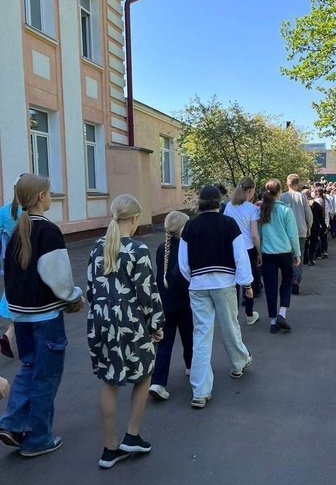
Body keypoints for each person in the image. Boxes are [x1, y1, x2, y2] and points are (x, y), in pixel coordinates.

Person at [0, 174, 84, 457]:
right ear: (40, 197)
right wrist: (74, 297)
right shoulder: (48, 231)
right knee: (45, 378)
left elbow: (10, 277)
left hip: (22, 317)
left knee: (29, 369)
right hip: (45, 319)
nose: (52, 196)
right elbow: (58, 277)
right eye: (49, 193)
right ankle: (38, 439)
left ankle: (12, 422)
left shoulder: (17, 231)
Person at [87, 194, 164, 469]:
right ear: (134, 219)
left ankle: (109, 450)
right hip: (130, 322)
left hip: (101, 322)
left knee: (109, 382)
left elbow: (90, 290)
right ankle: (132, 435)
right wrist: (156, 325)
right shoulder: (138, 250)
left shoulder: (97, 247)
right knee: (144, 375)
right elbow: (147, 293)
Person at [178, 185, 252, 409]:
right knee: (230, 325)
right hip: (224, 284)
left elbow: (183, 263)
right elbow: (240, 257)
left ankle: (200, 391)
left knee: (201, 334)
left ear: (199, 202)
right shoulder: (229, 224)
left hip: (198, 286)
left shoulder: (190, 226)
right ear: (219, 202)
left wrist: (194, 279)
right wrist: (246, 283)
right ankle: (239, 363)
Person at [149, 211, 193, 402]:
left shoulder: (161, 248)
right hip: (185, 301)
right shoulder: (187, 248)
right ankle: (191, 368)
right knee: (189, 337)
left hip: (165, 302)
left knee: (164, 343)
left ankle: (157, 382)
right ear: (183, 228)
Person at [258, 179, 300, 333]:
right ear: (279, 192)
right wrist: (297, 253)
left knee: (270, 286)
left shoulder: (262, 209)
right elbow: (293, 235)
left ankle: (273, 321)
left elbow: (260, 234)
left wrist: (259, 252)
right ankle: (282, 312)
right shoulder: (286, 210)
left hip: (268, 253)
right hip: (284, 252)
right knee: (287, 279)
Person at [224, 178, 261, 323]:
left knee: (233, 283)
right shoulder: (252, 209)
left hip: (231, 248)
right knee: (248, 281)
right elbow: (254, 235)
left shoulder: (228, 207)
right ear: (250, 190)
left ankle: (233, 315)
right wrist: (260, 252)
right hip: (248, 248)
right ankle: (250, 314)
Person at [0, 180, 23, 359]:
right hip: (27, 257)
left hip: (10, 258)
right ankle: (12, 335)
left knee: (12, 293)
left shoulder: (5, 210)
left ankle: (10, 334)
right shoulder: (29, 211)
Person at [280, 174, 312, 294]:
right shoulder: (302, 197)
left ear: (287, 184)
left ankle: (287, 278)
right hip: (300, 230)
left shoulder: (282, 197)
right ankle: (296, 278)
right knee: (298, 255)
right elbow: (308, 214)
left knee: (287, 256)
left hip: (286, 232)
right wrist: (309, 226)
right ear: (297, 184)